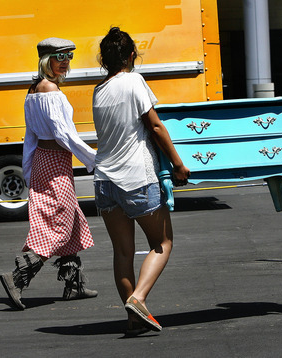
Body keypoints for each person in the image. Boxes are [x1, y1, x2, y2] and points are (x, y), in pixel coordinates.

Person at [92, 27, 190, 335]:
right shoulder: (134, 81)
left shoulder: (99, 89)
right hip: (137, 177)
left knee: (122, 253)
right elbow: (156, 127)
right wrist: (177, 163)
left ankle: (134, 320)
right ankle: (139, 298)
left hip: (104, 181)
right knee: (162, 242)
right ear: (132, 55)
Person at [0, 37, 98, 310]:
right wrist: (93, 158)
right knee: (60, 221)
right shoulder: (50, 90)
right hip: (55, 161)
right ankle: (18, 276)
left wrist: (30, 169)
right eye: (61, 57)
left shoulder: (32, 91)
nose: (66, 63)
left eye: (69, 57)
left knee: (71, 218)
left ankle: (74, 284)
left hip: (46, 159)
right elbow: (64, 134)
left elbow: (30, 137)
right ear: (47, 61)